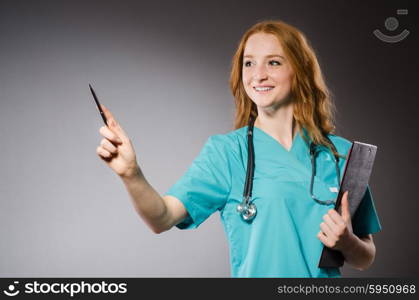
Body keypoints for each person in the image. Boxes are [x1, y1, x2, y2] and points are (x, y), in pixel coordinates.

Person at [96, 20, 382, 278]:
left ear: (300, 70)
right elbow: (162, 217)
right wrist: (132, 174)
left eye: (273, 62)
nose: (258, 75)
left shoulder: (341, 156)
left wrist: (348, 243)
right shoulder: (227, 153)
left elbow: (365, 256)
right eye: (249, 63)